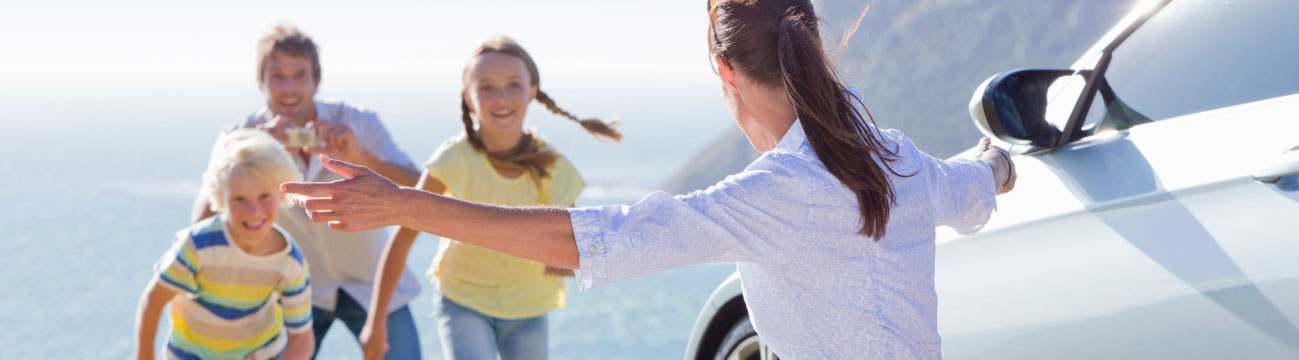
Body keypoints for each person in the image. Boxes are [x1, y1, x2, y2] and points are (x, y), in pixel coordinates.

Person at [282, 0, 1017, 358]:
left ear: (722, 70)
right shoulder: (893, 156)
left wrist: (402, 205)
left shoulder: (783, 192)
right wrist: (1003, 152)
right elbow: (976, 186)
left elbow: (604, 239)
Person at [358, 35, 621, 360]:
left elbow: (573, 249)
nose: (501, 97)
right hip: (462, 300)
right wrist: (376, 321)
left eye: (513, 85)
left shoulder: (555, 166)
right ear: (468, 98)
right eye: (486, 87)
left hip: (528, 307)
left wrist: (565, 263)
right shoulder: (452, 159)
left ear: (532, 93)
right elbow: (402, 239)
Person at [189, 24, 424, 359]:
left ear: (317, 81)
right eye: (277, 76)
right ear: (261, 82)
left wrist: (361, 158)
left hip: (374, 285)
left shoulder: (360, 124)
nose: (288, 88)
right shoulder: (241, 137)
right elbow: (201, 220)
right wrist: (253, 154)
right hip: (292, 291)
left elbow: (423, 188)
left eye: (300, 76)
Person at [136, 129, 314, 360]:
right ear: (220, 197)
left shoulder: (289, 260)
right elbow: (153, 300)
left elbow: (302, 337)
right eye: (239, 199)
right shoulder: (197, 246)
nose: (254, 211)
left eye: (264, 197)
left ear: (281, 192)